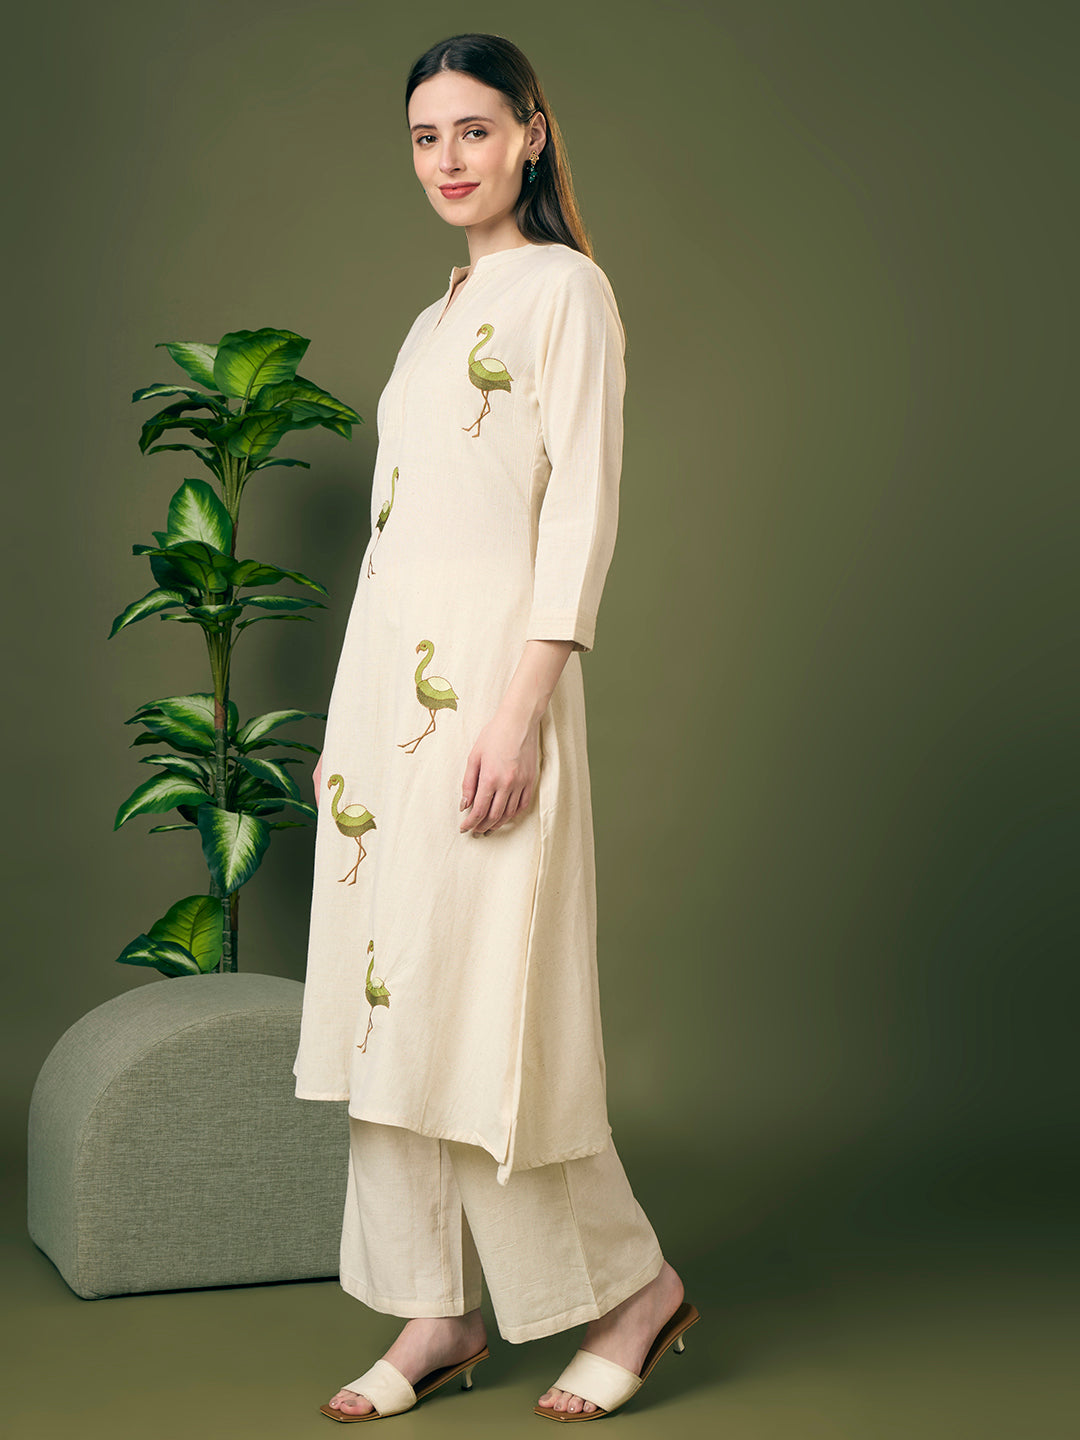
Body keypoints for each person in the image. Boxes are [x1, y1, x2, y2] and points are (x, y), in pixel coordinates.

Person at [292, 32, 698, 1424]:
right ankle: (439, 1308)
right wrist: (350, 727)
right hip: (388, 713)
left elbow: (581, 507)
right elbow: (399, 536)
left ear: (530, 133)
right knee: (390, 1009)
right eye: (426, 137)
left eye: (473, 129)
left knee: (484, 1015)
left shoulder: (566, 293)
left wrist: (520, 711)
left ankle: (635, 1290)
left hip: (491, 694)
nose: (448, 160)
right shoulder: (434, 319)